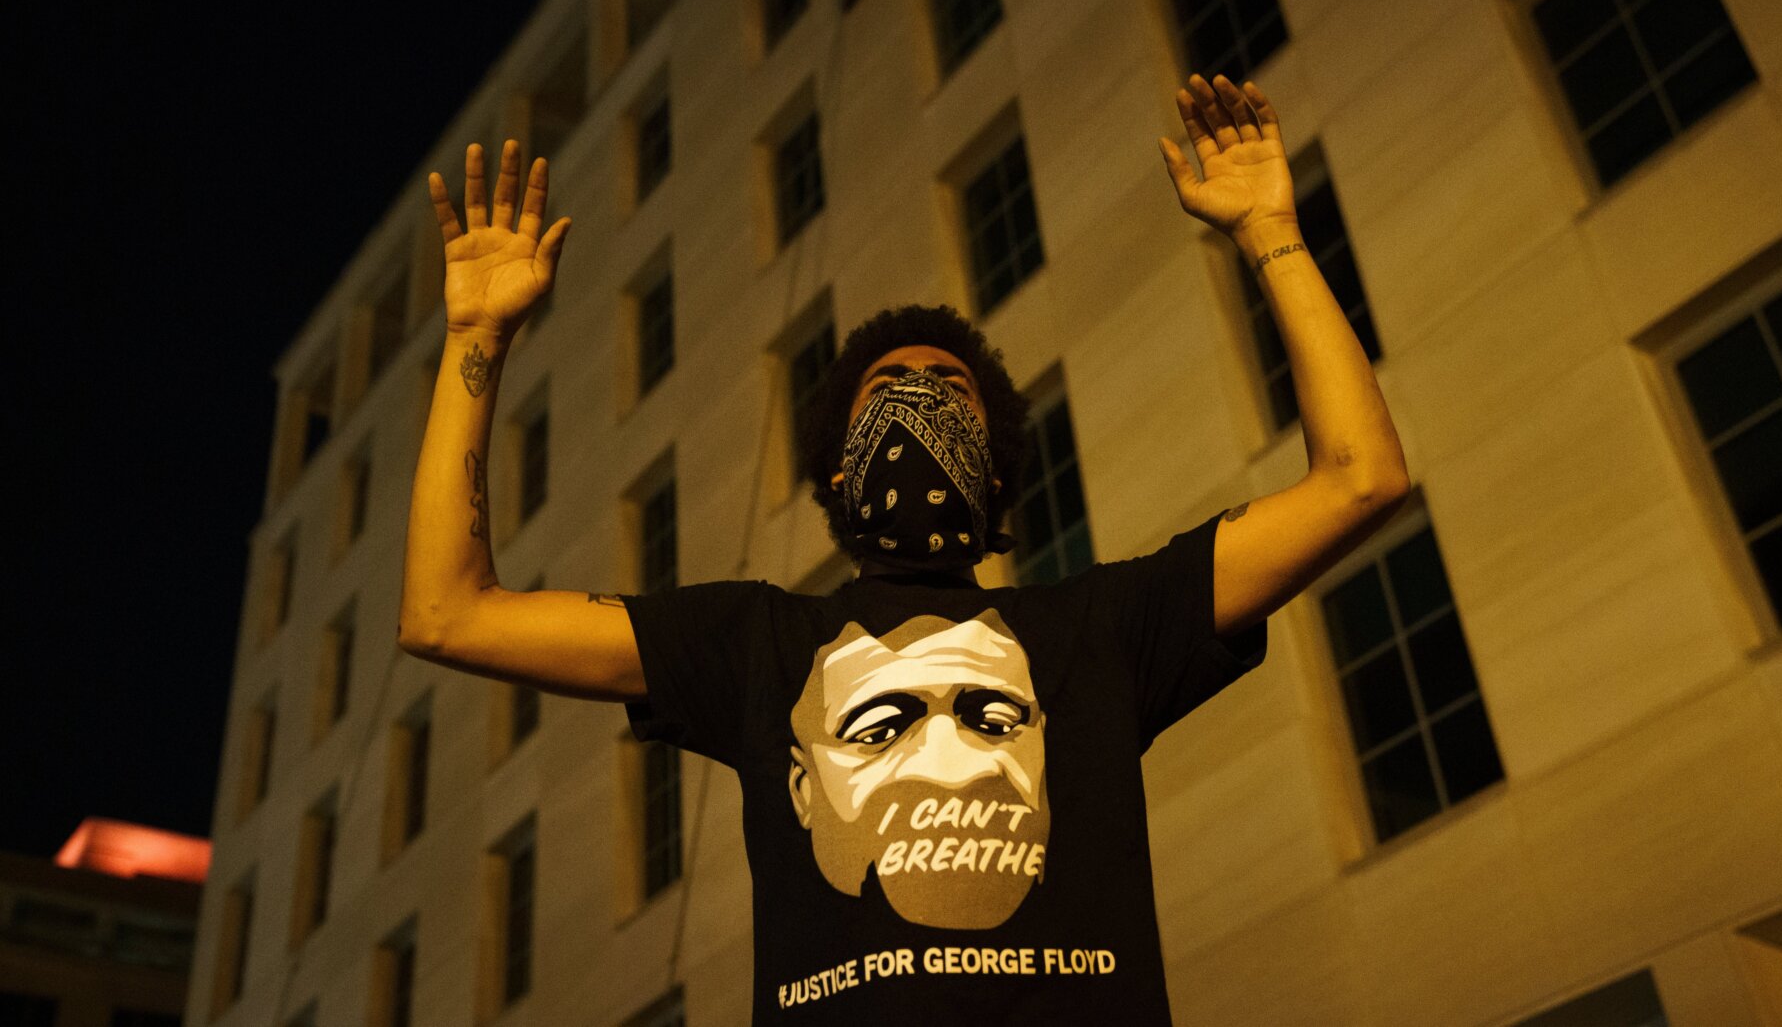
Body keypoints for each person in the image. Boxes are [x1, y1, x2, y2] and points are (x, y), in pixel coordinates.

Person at [400, 72, 1409, 1024]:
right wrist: (476, 339)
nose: (917, 409)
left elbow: (1360, 479)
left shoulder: (1102, 630)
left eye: (950, 398)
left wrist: (1273, 231)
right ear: (838, 474)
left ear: (999, 474)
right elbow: (448, 613)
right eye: (885, 400)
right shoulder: (755, 644)